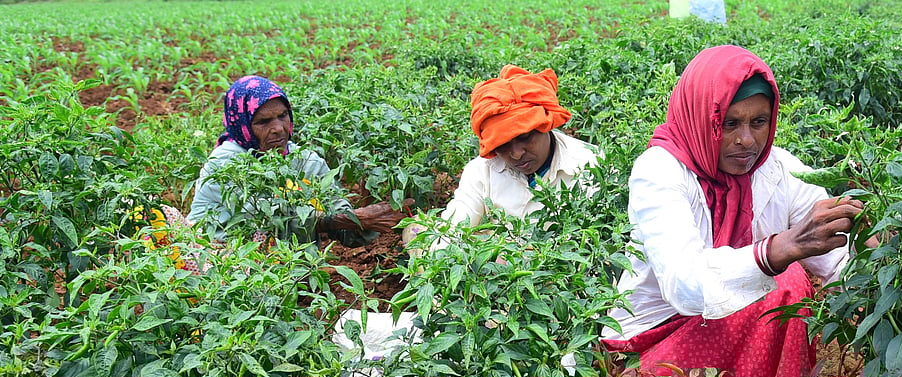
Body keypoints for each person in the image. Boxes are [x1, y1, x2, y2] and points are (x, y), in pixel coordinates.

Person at [602, 45, 865, 377]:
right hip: (655, 346)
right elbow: (686, 286)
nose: (747, 141)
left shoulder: (775, 169)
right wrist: (777, 250)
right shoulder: (661, 172)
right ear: (701, 119)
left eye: (759, 122)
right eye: (729, 124)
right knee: (787, 284)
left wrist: (878, 261)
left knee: (791, 283)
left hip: (728, 333)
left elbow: (835, 253)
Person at [188, 75, 403, 246]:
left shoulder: (306, 161)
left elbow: (343, 228)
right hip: (219, 266)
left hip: (286, 276)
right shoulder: (226, 164)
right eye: (263, 122)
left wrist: (372, 215)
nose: (278, 128)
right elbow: (271, 221)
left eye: (282, 116)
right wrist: (346, 219)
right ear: (242, 125)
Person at [440, 64, 599, 230]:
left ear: (545, 126)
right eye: (501, 144)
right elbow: (451, 232)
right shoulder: (481, 172)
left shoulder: (591, 165)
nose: (516, 154)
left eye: (525, 137)